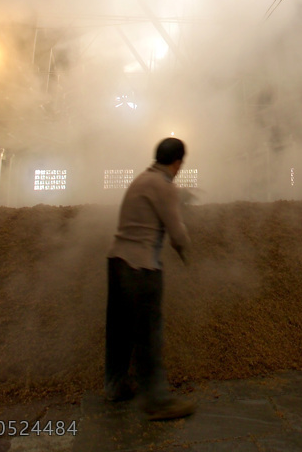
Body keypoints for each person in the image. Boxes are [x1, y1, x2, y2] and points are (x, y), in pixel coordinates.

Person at [105, 138, 196, 420]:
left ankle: (115, 386)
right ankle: (157, 401)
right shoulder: (165, 186)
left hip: (117, 262)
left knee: (119, 331)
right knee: (148, 335)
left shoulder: (143, 180)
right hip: (141, 268)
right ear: (177, 162)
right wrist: (188, 258)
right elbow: (177, 233)